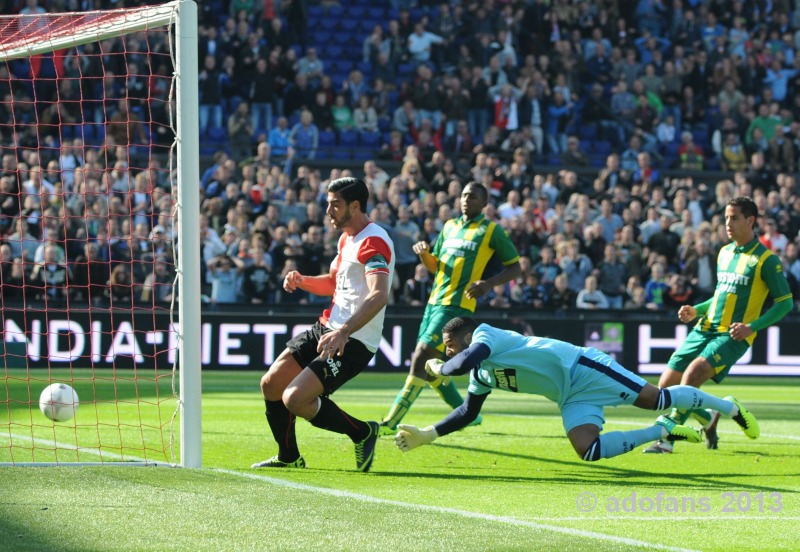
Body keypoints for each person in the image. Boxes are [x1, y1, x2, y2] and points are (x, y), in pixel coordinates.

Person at [394, 317, 760, 462]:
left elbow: (460, 363)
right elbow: (469, 412)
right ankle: (664, 430)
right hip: (569, 396)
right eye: (445, 349)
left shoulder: (487, 335)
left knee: (656, 398)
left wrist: (442, 367)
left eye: (450, 344)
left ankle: (728, 407)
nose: (448, 351)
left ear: (465, 336)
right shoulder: (480, 373)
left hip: (582, 368)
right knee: (589, 450)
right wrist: (429, 433)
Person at [252, 178, 395, 472]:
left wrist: (344, 331)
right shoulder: (346, 238)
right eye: (328, 203)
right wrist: (302, 280)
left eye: (335, 204)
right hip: (328, 328)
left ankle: (361, 432)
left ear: (355, 206)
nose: (327, 210)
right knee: (271, 384)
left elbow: (379, 295)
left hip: (352, 339)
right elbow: (333, 283)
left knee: (294, 398)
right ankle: (289, 457)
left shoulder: (373, 241)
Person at [644, 197, 793, 454]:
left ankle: (666, 437)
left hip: (733, 335)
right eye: (726, 218)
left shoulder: (766, 260)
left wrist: (752, 327)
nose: (728, 223)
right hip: (705, 327)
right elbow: (721, 294)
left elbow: (785, 303)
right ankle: (709, 417)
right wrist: (696, 310)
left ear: (750, 221)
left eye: (734, 218)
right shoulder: (724, 253)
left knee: (693, 374)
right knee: (666, 387)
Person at [380, 182, 521, 435]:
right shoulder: (449, 226)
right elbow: (436, 266)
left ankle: (390, 422)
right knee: (431, 364)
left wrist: (489, 284)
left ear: (484, 203)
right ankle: (468, 414)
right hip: (434, 301)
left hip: (458, 303)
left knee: (422, 355)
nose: (467, 199)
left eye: (473, 196)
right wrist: (424, 254)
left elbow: (515, 267)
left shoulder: (491, 231)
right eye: (465, 194)